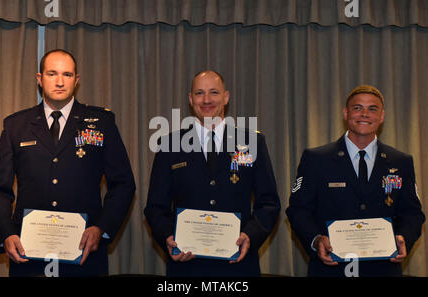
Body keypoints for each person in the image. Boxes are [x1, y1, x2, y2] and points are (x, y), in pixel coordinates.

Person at [0, 49, 136, 276]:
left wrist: (101, 228)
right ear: (39, 79)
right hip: (28, 252)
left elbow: (123, 183)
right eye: (52, 74)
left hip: (84, 252)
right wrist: (6, 233)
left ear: (76, 81)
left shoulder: (102, 122)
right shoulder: (16, 125)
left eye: (67, 75)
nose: (59, 81)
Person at [144, 70, 280, 277]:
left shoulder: (252, 142)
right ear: (191, 99)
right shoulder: (169, 145)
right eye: (199, 93)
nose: (206, 100)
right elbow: (155, 207)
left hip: (238, 266)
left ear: (226, 97)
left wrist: (250, 236)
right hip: (186, 266)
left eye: (214, 92)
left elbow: (269, 202)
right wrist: (168, 237)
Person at [286, 85, 425, 277]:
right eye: (357, 108)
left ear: (382, 116)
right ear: (345, 113)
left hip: (383, 268)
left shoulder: (401, 162)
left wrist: (404, 238)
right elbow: (298, 210)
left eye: (372, 109)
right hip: (330, 269)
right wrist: (316, 239)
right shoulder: (316, 159)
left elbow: (412, 213)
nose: (364, 114)